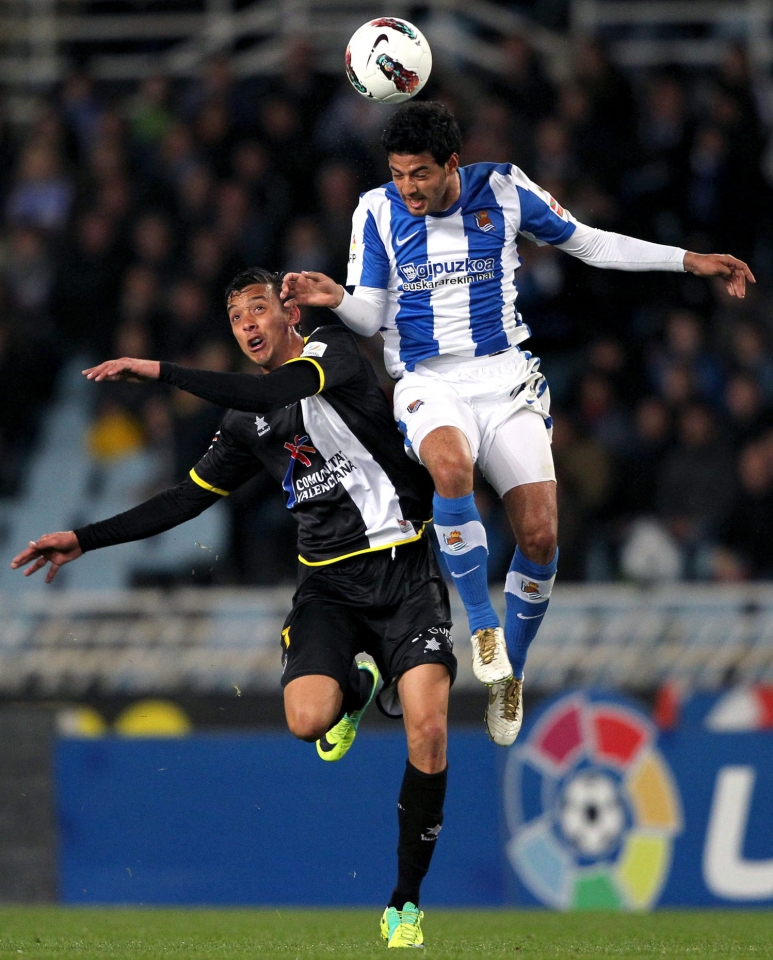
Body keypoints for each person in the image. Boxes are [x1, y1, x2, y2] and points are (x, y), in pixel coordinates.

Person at [279, 100, 756, 748]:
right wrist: (336, 298)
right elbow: (369, 313)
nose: (407, 188)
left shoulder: (503, 189)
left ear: (452, 163)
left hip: (502, 378)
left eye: (418, 173)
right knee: (451, 469)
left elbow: (588, 242)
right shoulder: (376, 211)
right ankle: (480, 625)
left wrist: (687, 260)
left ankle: (512, 673)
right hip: (426, 379)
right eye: (397, 173)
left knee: (537, 534)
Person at [11, 267, 455, 949]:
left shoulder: (331, 353)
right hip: (327, 591)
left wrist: (160, 370)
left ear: (286, 312)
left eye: (257, 310)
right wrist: (84, 538)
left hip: (405, 575)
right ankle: (357, 684)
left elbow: (276, 389)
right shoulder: (244, 422)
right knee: (307, 721)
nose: (248, 326)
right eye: (236, 319)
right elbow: (185, 499)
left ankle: (404, 902)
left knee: (427, 733)